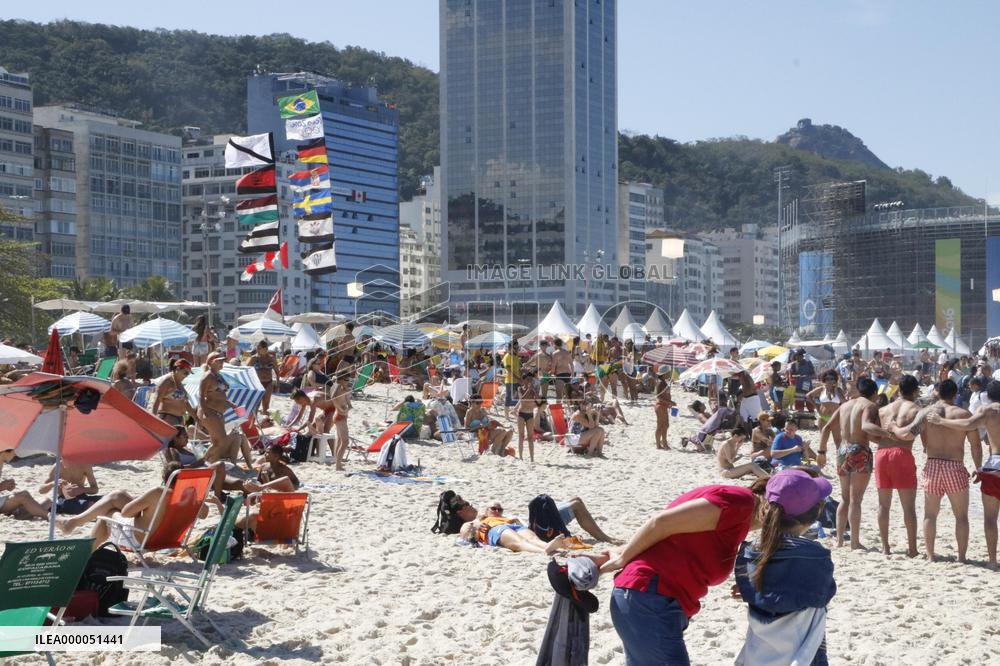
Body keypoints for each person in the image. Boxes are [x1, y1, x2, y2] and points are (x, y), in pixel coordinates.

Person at [594, 480, 768, 664]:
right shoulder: (740, 502)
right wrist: (622, 558)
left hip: (652, 600)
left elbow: (670, 538)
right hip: (649, 596)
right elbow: (661, 522)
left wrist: (618, 553)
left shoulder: (741, 515)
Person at [734, 469, 836, 666]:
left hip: (759, 653)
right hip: (802, 654)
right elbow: (825, 593)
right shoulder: (814, 555)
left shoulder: (750, 552)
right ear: (814, 515)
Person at [893, 379, 982, 563]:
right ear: (955, 395)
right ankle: (962, 557)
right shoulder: (963, 414)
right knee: (961, 516)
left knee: (930, 515)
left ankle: (931, 555)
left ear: (937, 393)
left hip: (933, 465)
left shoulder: (926, 413)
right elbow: (976, 447)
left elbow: (907, 434)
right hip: (954, 465)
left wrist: (893, 427)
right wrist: (978, 467)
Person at [923, 379, 1000, 568]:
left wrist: (941, 421)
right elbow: (972, 439)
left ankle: (991, 560)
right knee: (962, 516)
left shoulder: (988, 411)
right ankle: (966, 557)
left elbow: (968, 424)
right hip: (955, 467)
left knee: (990, 517)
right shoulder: (969, 410)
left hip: (995, 463)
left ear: (987, 396)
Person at [68, 462, 215, 552]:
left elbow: (126, 513)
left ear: (165, 480)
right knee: (119, 496)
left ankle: (86, 553)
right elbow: (204, 514)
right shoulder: (190, 499)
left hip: (141, 539)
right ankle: (74, 523)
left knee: (108, 513)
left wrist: (144, 508)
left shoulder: (158, 493)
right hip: (167, 539)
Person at [820, 377, 894, 550]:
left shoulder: (844, 405)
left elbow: (826, 428)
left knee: (844, 499)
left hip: (842, 451)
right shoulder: (869, 406)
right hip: (860, 450)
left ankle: (839, 541)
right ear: (875, 393)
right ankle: (854, 542)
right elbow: (867, 428)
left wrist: (821, 452)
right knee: (856, 501)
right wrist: (887, 434)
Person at [873, 374, 921, 557]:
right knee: (908, 507)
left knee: (883, 505)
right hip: (902, 453)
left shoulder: (883, 410)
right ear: (916, 391)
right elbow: (915, 434)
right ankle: (913, 549)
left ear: (899, 390)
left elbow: (875, 434)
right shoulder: (916, 409)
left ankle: (885, 547)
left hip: (882, 453)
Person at [198, 352, 237, 462]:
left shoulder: (218, 376)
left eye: (222, 360)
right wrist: (206, 413)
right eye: (218, 361)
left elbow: (219, 395)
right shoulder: (207, 377)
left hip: (218, 412)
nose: (222, 363)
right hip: (210, 411)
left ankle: (211, 464)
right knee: (221, 441)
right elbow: (201, 396)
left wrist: (231, 404)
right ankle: (203, 460)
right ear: (211, 362)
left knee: (217, 442)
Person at [0, 448, 53, 519]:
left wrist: (6, 486)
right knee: (24, 496)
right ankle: (54, 518)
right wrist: (1, 487)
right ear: (5, 452)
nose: (15, 455)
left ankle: (22, 514)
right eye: (14, 452)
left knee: (46, 501)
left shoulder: (1, 463)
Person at [152, 357, 194, 425]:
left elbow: (185, 403)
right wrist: (153, 419)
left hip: (180, 418)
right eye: (185, 373)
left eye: (188, 374)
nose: (186, 376)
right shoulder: (167, 382)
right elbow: (156, 401)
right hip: (168, 417)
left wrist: (196, 417)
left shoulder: (180, 385)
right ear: (177, 369)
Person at [513, 373, 538, 462]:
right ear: (524, 381)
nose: (529, 381)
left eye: (530, 380)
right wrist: (528, 390)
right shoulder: (520, 389)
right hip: (521, 414)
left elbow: (538, 400)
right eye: (527, 380)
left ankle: (532, 458)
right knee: (521, 435)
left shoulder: (533, 390)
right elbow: (522, 399)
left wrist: (533, 391)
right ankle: (521, 457)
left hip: (530, 414)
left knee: (531, 437)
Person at [247, 340, 276, 415]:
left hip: (268, 382)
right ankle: (253, 422)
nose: (257, 350)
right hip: (257, 383)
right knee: (256, 404)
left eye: (259, 348)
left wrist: (278, 383)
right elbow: (246, 370)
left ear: (265, 349)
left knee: (266, 405)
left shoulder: (271, 358)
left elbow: (277, 371)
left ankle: (265, 422)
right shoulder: (254, 358)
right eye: (257, 348)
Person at [653, 370, 673, 450]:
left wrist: (669, 403)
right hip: (660, 406)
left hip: (664, 406)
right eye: (668, 372)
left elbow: (665, 395)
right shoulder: (660, 382)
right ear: (664, 373)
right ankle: (659, 444)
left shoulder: (664, 382)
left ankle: (664, 443)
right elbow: (659, 396)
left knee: (665, 425)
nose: (669, 374)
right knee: (660, 426)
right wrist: (670, 402)